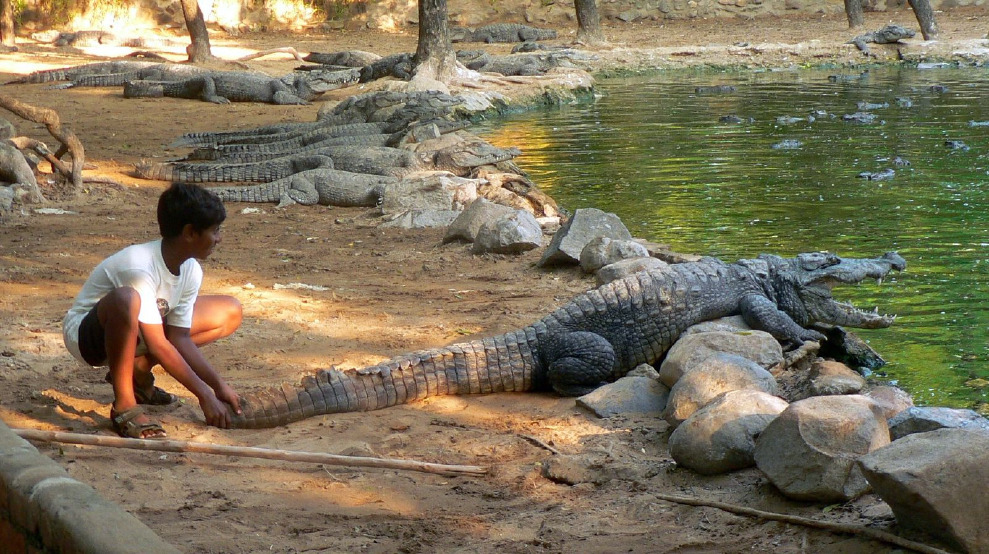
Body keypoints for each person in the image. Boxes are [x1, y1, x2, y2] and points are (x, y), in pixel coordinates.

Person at [62, 183, 242, 439]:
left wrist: (218, 387)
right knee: (127, 298)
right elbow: (159, 344)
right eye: (215, 231)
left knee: (229, 310)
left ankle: (135, 372)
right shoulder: (138, 267)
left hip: (140, 333)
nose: (219, 238)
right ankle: (125, 405)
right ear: (190, 233)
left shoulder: (190, 269)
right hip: (89, 340)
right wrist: (203, 394)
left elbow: (180, 338)